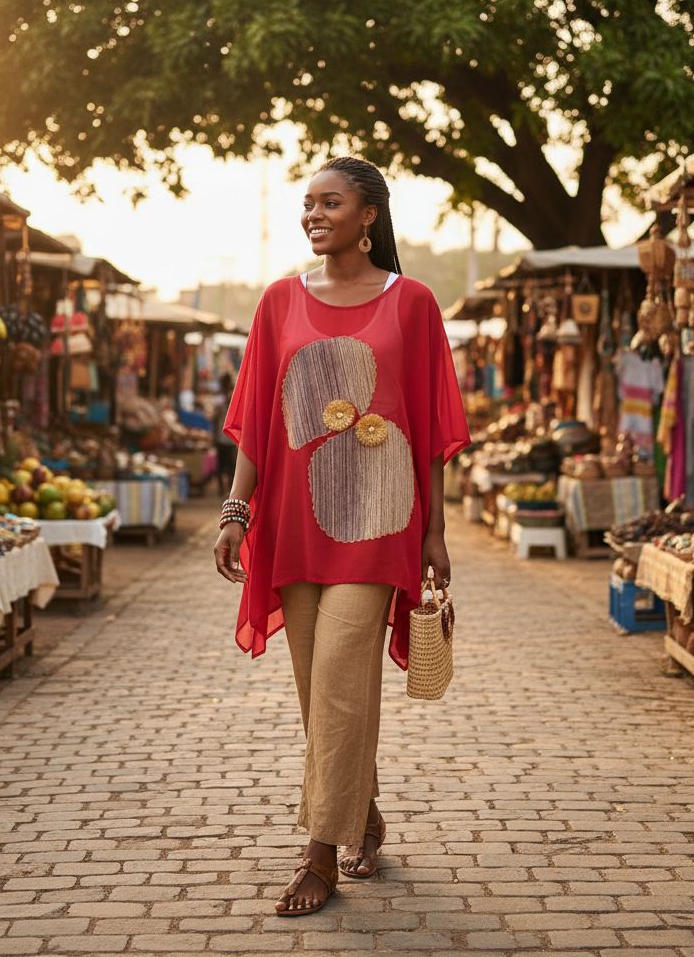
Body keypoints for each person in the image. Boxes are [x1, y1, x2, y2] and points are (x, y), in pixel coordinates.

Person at [213, 156, 470, 917]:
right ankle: (364, 813)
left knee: (338, 677)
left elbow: (428, 426)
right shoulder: (278, 302)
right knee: (322, 694)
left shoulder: (414, 302)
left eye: (331, 202)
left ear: (369, 216)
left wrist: (437, 530)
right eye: (307, 203)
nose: (313, 214)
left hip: (382, 522)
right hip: (295, 522)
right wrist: (236, 511)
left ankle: (318, 853)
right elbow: (257, 418)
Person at [213, 372, 238, 495]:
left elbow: (214, 419)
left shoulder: (222, 398)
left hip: (224, 437)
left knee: (224, 466)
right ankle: (227, 489)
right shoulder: (230, 396)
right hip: (228, 437)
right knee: (228, 466)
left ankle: (224, 489)